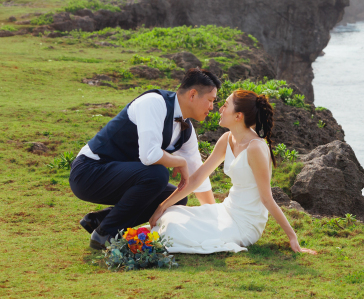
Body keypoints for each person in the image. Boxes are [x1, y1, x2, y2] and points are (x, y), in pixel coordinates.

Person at [148, 89, 316, 255]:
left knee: (174, 230)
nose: (219, 109)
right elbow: (197, 178)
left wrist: (292, 237)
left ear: (238, 116)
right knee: (170, 214)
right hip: (226, 209)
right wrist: (162, 206)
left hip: (245, 223)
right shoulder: (227, 139)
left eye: (225, 106)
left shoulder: (255, 148)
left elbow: (266, 199)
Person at [69, 68, 220, 249]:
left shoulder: (185, 129)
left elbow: (197, 176)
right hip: (89, 172)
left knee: (176, 198)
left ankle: (98, 221)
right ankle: (104, 235)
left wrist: (213, 217)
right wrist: (179, 161)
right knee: (157, 174)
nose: (212, 107)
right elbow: (150, 156)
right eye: (210, 100)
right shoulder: (154, 103)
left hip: (117, 177)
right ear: (193, 94)